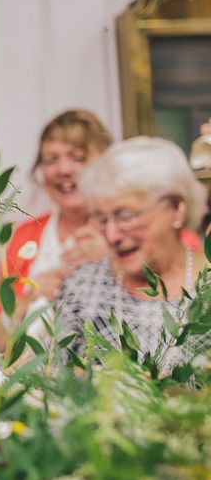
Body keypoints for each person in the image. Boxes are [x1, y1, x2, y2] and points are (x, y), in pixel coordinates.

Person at [58, 136, 210, 370]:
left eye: (126, 216)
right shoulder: (83, 289)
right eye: (101, 219)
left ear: (177, 208)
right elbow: (56, 384)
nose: (111, 235)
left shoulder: (206, 290)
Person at [0, 110, 114, 354]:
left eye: (78, 157)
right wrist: (28, 300)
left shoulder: (129, 230)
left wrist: (112, 258)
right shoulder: (22, 237)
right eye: (51, 160)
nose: (63, 169)